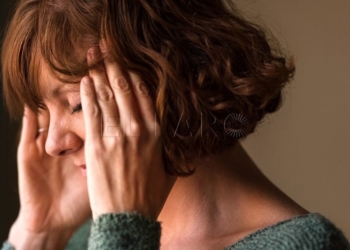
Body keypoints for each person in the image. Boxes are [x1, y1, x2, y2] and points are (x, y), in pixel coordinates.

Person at [1, 0, 350, 249]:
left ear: (172, 79)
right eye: (42, 113)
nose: (52, 144)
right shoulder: (83, 240)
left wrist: (122, 231)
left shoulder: (302, 245)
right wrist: (36, 237)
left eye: (78, 104)